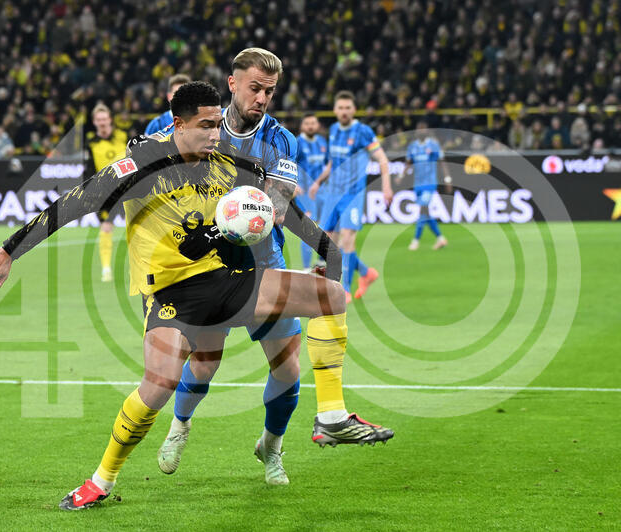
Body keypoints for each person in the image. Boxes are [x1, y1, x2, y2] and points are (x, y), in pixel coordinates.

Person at [0, 82, 348, 510]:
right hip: (173, 294)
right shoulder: (141, 165)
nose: (215, 134)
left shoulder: (228, 162)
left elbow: (276, 209)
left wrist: (329, 252)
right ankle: (101, 480)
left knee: (332, 296)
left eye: (217, 124)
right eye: (205, 126)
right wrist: (8, 251)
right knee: (160, 383)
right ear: (178, 124)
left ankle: (331, 414)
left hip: (232, 278)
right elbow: (73, 203)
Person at [156, 50, 394, 486]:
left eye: (270, 91)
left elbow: (280, 202)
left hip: (265, 265)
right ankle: (180, 425)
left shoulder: (281, 139)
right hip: (211, 270)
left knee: (287, 370)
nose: (262, 98)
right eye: (255, 88)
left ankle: (272, 447)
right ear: (232, 83)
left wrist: (308, 237)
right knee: (205, 364)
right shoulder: (202, 128)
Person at [309, 91, 393, 302]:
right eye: (341, 108)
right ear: (335, 110)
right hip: (333, 193)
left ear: (354, 110)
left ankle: (344, 290)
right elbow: (332, 162)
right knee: (330, 244)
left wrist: (386, 187)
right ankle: (366, 272)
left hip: (353, 194)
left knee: (347, 239)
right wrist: (318, 182)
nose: (344, 111)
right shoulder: (334, 130)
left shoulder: (363, 132)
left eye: (348, 108)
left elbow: (383, 159)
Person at [86, 103, 129, 282]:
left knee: (138, 226)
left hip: (128, 188)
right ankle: (106, 269)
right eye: (99, 120)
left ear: (110, 119)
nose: (102, 122)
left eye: (104, 119)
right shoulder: (91, 143)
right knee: (106, 227)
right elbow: (88, 170)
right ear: (94, 122)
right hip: (105, 193)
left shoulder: (123, 136)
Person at [403, 122, 449, 250]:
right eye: (419, 129)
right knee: (426, 213)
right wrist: (401, 175)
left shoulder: (433, 145)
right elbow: (408, 162)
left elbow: (442, 161)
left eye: (423, 129)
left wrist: (447, 178)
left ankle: (415, 241)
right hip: (418, 184)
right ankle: (440, 238)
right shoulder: (412, 146)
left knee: (422, 209)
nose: (421, 131)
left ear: (427, 131)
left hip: (429, 183)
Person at [294, 113, 330, 269]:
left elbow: (329, 164)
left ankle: (321, 261)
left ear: (317, 125)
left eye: (313, 123)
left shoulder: (322, 142)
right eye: (307, 123)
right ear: (302, 126)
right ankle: (306, 268)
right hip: (304, 193)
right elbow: (287, 163)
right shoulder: (297, 142)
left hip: (321, 191)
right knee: (308, 228)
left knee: (326, 226)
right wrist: (294, 184)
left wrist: (322, 181)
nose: (310, 126)